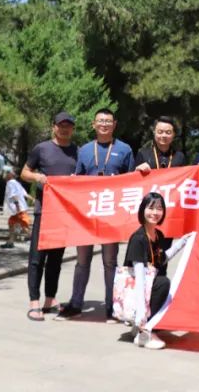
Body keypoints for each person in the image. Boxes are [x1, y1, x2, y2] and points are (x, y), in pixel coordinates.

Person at [57, 108, 135, 321]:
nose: (104, 124)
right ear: (94, 124)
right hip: (87, 215)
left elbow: (132, 182)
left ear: (114, 125)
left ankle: (112, 306)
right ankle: (76, 304)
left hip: (111, 215)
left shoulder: (125, 149)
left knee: (110, 262)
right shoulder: (84, 150)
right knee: (82, 260)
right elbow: (78, 181)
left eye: (108, 121)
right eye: (100, 121)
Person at [21, 111, 79, 321]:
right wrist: (38, 177)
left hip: (64, 214)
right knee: (37, 259)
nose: (64, 129)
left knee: (56, 260)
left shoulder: (77, 152)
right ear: (53, 127)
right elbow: (24, 172)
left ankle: (49, 299)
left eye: (68, 126)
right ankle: (34, 301)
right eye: (61, 125)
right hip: (44, 212)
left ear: (72, 129)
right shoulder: (42, 148)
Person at [125, 192, 191, 350]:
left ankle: (141, 327)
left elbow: (161, 258)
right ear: (142, 209)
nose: (155, 212)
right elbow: (139, 279)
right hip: (136, 291)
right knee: (163, 283)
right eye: (151, 208)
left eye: (159, 209)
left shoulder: (158, 234)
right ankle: (144, 332)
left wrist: (183, 242)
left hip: (148, 287)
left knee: (165, 283)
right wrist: (141, 313)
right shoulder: (138, 238)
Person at [0, 166, 34, 250]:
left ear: (11, 175)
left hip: (18, 209)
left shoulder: (10, 183)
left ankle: (35, 241)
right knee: (11, 223)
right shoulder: (16, 183)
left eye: (7, 173)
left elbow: (14, 195)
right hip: (17, 210)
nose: (5, 174)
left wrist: (17, 207)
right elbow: (25, 194)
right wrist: (33, 199)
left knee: (25, 226)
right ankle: (10, 242)